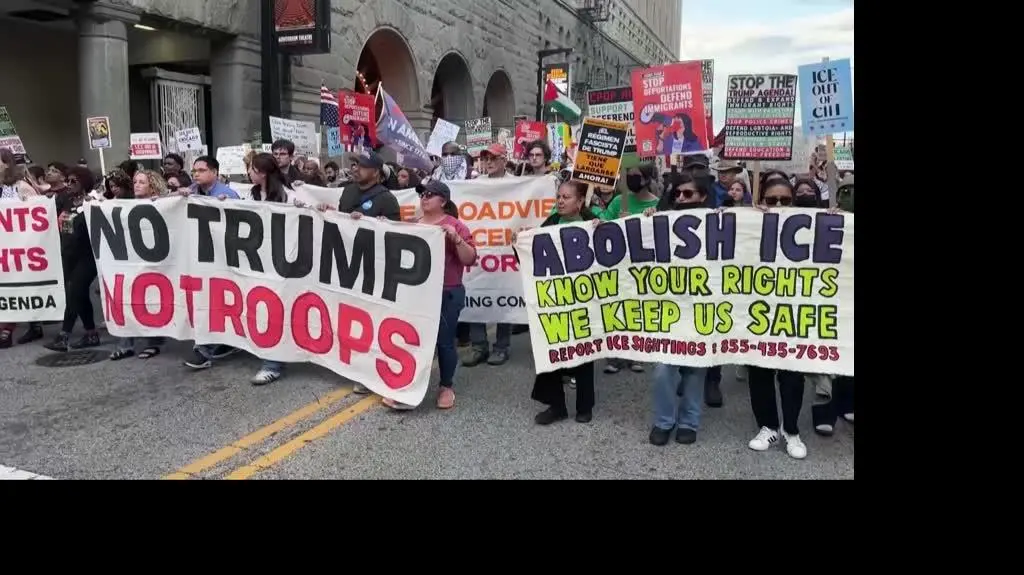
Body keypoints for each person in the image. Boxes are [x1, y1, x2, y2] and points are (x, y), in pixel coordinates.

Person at [382, 180, 476, 411]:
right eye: (423, 194)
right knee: (414, 340)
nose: (424, 198)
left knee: (444, 342)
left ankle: (446, 386)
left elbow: (470, 258)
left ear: (443, 201)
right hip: (417, 292)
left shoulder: (455, 226)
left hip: (447, 291)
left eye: (430, 195)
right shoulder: (413, 224)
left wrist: (456, 238)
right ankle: (409, 387)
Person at [320, 149, 401, 394]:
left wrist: (370, 223)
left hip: (373, 268)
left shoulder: (386, 198)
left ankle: (370, 372)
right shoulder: (348, 191)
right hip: (346, 265)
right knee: (350, 317)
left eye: (361, 166)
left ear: (375, 172)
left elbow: (397, 234)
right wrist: (329, 211)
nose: (355, 169)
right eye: (354, 165)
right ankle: (353, 364)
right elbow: (341, 219)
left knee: (371, 320)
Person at [643, 173, 715, 444]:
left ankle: (689, 422)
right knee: (663, 369)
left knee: (695, 369)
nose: (681, 199)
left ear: (703, 197)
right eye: (678, 195)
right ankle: (664, 420)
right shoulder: (662, 221)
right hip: (669, 309)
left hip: (702, 309)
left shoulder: (718, 222)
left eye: (689, 194)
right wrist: (647, 222)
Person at [746, 178, 811, 459]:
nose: (780, 205)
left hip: (792, 315)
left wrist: (838, 220)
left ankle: (791, 431)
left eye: (786, 200)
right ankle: (768, 426)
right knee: (759, 373)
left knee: (793, 377)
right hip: (757, 313)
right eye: (772, 200)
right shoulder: (746, 223)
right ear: (761, 201)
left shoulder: (811, 224)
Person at [523, 181, 598, 425]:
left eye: (567, 197)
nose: (561, 201)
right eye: (559, 196)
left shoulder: (593, 223)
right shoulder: (552, 222)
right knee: (552, 350)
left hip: (585, 299)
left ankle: (584, 406)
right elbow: (533, 253)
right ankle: (556, 406)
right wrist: (522, 240)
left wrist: (604, 229)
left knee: (585, 353)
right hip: (557, 299)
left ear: (579, 202)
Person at [598, 163, 660, 374]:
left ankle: (637, 353)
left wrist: (651, 220)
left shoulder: (657, 205)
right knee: (616, 309)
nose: (631, 179)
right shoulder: (619, 201)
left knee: (638, 309)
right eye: (629, 175)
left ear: (647, 179)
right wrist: (616, 222)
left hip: (642, 267)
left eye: (635, 176)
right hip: (618, 264)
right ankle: (615, 355)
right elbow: (603, 224)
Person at [108, 170, 170, 360]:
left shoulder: (163, 204)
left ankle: (153, 342)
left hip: (154, 261)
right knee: (125, 299)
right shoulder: (126, 205)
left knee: (152, 300)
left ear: (152, 185)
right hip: (130, 262)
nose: (136, 185)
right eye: (135, 181)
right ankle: (126, 344)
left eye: (142, 182)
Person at [43, 166, 100, 352]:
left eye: (73, 181)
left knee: (74, 292)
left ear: (84, 182)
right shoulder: (65, 200)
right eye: (67, 180)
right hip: (69, 255)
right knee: (81, 295)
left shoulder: (93, 201)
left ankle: (64, 335)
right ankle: (91, 334)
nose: (69, 184)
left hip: (88, 256)